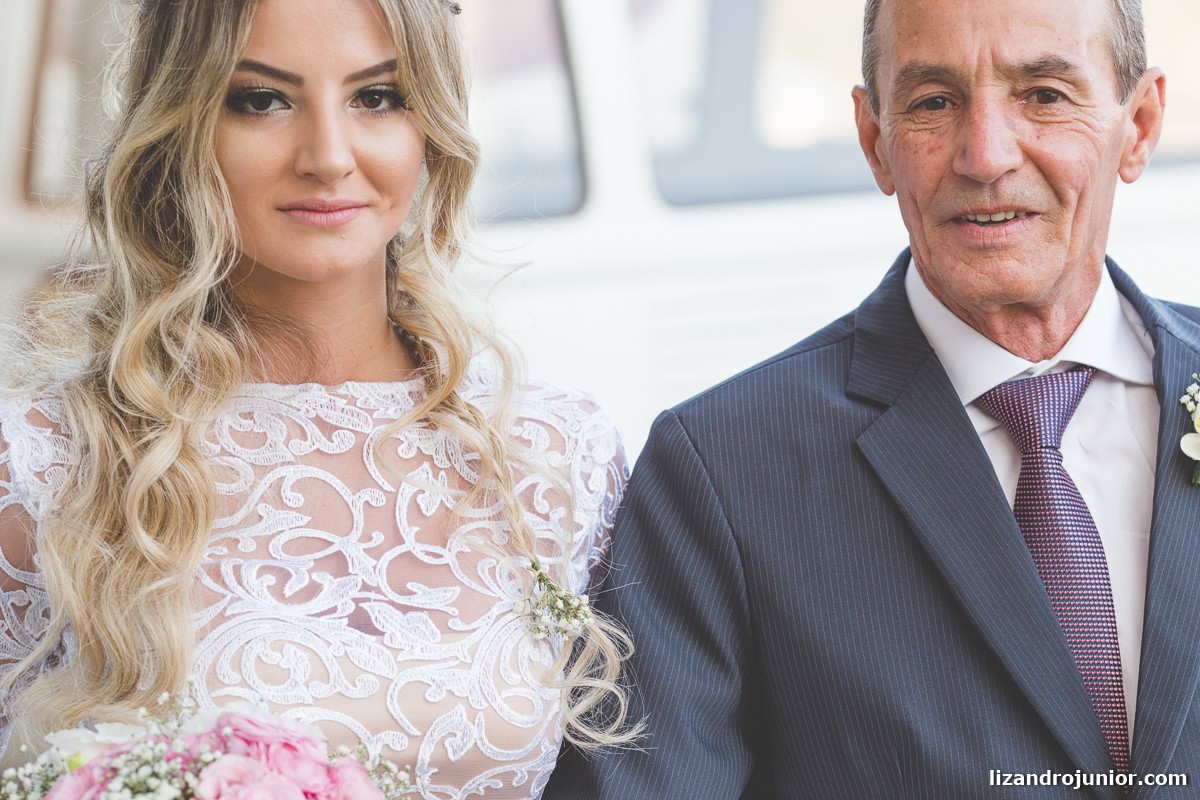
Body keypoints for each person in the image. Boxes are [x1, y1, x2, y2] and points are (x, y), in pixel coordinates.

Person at [544, 0, 1197, 797]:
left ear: (1141, 123)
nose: (986, 155)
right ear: (874, 140)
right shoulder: (720, 472)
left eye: (1044, 96)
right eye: (933, 103)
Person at [0, 0, 636, 796]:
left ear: (430, 125)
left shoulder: (553, 453)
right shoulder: (47, 459)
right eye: (262, 99)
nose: (329, 156)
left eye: (378, 96)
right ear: (182, 121)